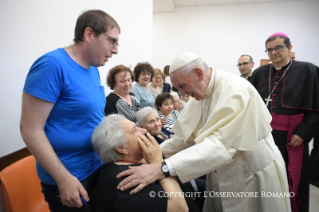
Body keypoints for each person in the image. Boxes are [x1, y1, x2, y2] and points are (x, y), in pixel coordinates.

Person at [117, 52, 291, 212]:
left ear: (199, 73)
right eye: (179, 88)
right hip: (223, 171)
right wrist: (154, 153)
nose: (183, 93)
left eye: (183, 86)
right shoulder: (201, 91)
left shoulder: (235, 90)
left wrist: (162, 168)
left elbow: (220, 144)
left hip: (251, 172)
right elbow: (187, 137)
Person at [19, 10, 120, 211]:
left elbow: (92, 118)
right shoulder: (52, 65)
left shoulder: (92, 70)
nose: (115, 50)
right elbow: (30, 129)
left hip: (96, 166)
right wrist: (63, 178)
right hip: (69, 176)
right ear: (89, 34)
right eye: (112, 41)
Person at [250, 32, 319, 212]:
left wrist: (303, 133)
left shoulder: (308, 70)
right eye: (269, 50)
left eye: (278, 48)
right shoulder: (259, 73)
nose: (274, 53)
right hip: (264, 137)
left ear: (289, 48)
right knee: (267, 176)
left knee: (293, 178)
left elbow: (317, 107)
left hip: (293, 137)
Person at [91, 114, 198, 212]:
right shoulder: (124, 180)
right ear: (121, 148)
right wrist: (159, 165)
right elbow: (179, 209)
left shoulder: (140, 158)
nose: (143, 130)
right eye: (135, 130)